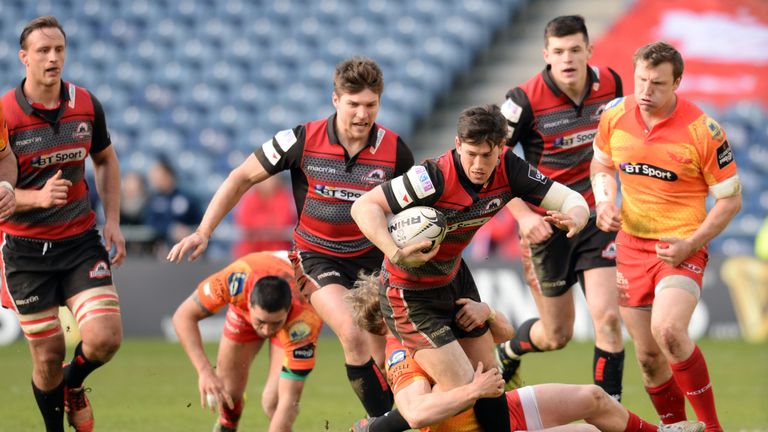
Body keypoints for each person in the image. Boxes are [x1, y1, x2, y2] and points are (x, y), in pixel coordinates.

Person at [168, 56, 415, 419]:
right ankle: (379, 424)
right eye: (353, 104)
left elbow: (417, 211)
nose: (362, 115)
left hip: (372, 263)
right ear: (335, 100)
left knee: (385, 362)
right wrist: (204, 231)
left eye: (371, 105)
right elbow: (241, 177)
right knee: (351, 330)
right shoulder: (300, 139)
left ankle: (384, 419)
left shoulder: (396, 151)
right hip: (318, 259)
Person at [350, 104, 590, 431]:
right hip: (410, 294)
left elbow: (569, 200)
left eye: (487, 156)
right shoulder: (430, 178)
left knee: (490, 376)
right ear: (458, 144)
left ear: (501, 149)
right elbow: (364, 206)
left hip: (454, 277)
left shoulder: (510, 169)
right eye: (471, 154)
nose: (478, 165)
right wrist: (396, 251)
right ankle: (374, 429)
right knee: (467, 386)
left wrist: (576, 215)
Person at [591, 41, 742, 430]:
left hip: (681, 247)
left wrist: (691, 244)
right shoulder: (614, 116)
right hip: (630, 246)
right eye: (641, 80)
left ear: (677, 82)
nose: (645, 91)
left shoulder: (702, 131)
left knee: (669, 331)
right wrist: (606, 201)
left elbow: (730, 201)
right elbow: (602, 165)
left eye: (656, 84)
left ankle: (712, 428)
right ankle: (675, 426)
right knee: (647, 357)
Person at [346, 274, 705, 432]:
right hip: (465, 429)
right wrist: (473, 390)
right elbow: (416, 412)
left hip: (500, 408)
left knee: (594, 398)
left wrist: (486, 311)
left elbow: (504, 334)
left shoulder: (436, 310)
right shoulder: (402, 350)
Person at [0, 16, 126, 432]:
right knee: (48, 353)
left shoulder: (86, 104)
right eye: (43, 51)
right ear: (24, 58)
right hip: (24, 249)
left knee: (106, 338)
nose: (53, 58)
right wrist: (37, 198)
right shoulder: (4, 115)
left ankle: (74, 385)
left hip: (78, 240)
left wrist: (113, 221)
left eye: (59, 50)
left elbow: (105, 159)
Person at [498, 15, 625, 399]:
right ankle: (508, 349)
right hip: (546, 225)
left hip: (593, 217)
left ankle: (609, 415)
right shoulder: (521, 101)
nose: (567, 59)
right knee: (557, 336)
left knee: (608, 319)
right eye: (558, 52)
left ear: (589, 50)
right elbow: (493, 165)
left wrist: (612, 198)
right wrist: (523, 218)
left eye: (575, 50)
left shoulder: (613, 85)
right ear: (545, 55)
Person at [172, 251, 322, 432]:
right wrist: (205, 372)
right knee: (227, 391)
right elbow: (182, 316)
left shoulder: (305, 317)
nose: (266, 331)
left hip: (292, 321)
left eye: (275, 322)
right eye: (261, 322)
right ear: (249, 304)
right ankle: (228, 425)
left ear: (288, 309)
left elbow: (288, 401)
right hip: (247, 303)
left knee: (272, 402)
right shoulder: (234, 280)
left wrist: (268, 322)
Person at [145, 155, 201, 255]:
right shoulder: (152, 200)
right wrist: (170, 229)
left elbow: (200, 220)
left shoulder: (187, 198)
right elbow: (149, 222)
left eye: (158, 176)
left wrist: (189, 231)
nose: (155, 180)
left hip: (187, 248)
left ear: (169, 175)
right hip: (161, 249)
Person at [233, 174, 296, 257]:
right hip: (250, 250)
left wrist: (260, 226)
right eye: (264, 179)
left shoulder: (284, 197)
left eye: (271, 179)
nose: (268, 182)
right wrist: (268, 223)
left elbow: (282, 222)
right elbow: (244, 222)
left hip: (277, 251)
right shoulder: (250, 197)